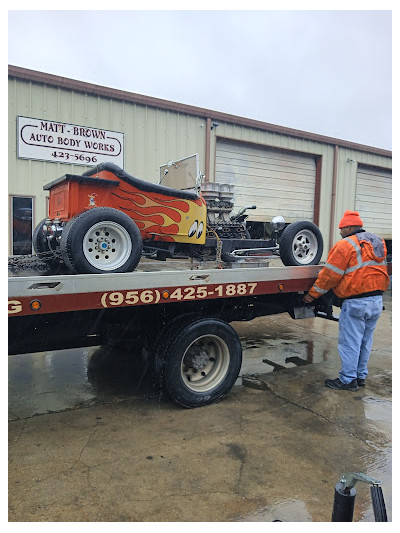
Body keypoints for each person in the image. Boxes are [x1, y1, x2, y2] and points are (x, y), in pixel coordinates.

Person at [303, 210, 389, 391]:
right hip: (376, 300)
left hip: (356, 302)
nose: (340, 232)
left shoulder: (345, 245)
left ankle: (348, 380)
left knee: (350, 342)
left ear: (349, 227)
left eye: (341, 228)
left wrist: (311, 295)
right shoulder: (377, 241)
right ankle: (359, 376)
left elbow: (329, 276)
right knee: (365, 341)